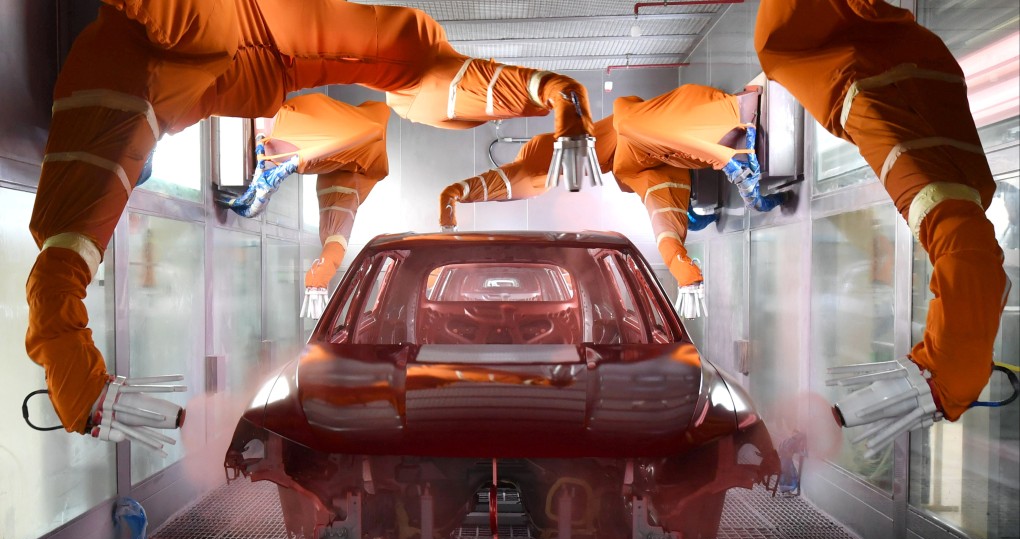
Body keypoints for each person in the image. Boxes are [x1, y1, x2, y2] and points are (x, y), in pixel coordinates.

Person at [26, 0, 598, 446]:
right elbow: (426, 69)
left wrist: (552, 93)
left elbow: (60, 267)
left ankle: (275, 165)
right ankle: (275, 165)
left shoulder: (115, 96)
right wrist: (550, 92)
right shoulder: (119, 98)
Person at [755, 0, 1011, 452]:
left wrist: (954, 365)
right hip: (883, 73)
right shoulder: (847, 77)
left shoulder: (937, 175)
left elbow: (971, 245)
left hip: (895, 75)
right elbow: (966, 241)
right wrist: (951, 366)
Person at [439, 84, 789, 318]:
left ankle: (731, 157)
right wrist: (684, 271)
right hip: (682, 148)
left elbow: (531, 167)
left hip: (704, 121)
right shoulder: (633, 170)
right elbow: (664, 226)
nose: (565, 173)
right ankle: (727, 162)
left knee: (628, 121)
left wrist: (456, 194)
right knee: (633, 138)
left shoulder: (626, 124)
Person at [222, 93, 391, 319]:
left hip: (284, 129)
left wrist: (318, 278)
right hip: (285, 138)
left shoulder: (367, 142)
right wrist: (318, 278)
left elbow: (336, 239)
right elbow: (336, 239)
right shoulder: (367, 155)